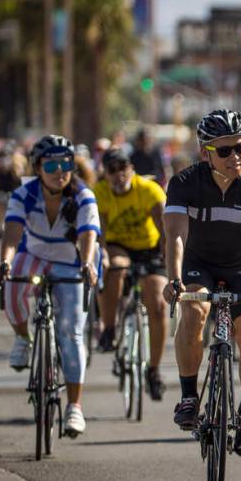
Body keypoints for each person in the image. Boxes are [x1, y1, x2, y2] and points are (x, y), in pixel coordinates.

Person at [162, 109, 241, 457]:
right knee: (194, 311)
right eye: (225, 150)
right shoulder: (185, 183)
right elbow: (174, 236)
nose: (236, 156)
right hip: (197, 263)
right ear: (206, 153)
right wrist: (173, 278)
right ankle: (189, 397)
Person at [0, 135, 100, 437]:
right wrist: (4, 262)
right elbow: (12, 233)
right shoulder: (23, 194)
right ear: (38, 168)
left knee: (71, 332)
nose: (59, 170)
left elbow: (88, 233)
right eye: (50, 164)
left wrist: (88, 263)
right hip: (34, 255)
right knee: (12, 285)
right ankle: (23, 339)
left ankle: (74, 407)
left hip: (70, 261)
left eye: (65, 163)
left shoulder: (82, 196)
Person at [93, 146, 169, 400]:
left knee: (157, 304)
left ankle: (155, 370)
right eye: (111, 170)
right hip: (118, 245)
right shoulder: (100, 192)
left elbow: (164, 229)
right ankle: (109, 329)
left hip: (149, 248)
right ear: (105, 173)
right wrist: (101, 253)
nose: (118, 175)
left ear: (131, 169)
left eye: (122, 168)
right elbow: (100, 232)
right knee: (115, 267)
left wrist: (169, 257)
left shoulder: (149, 190)